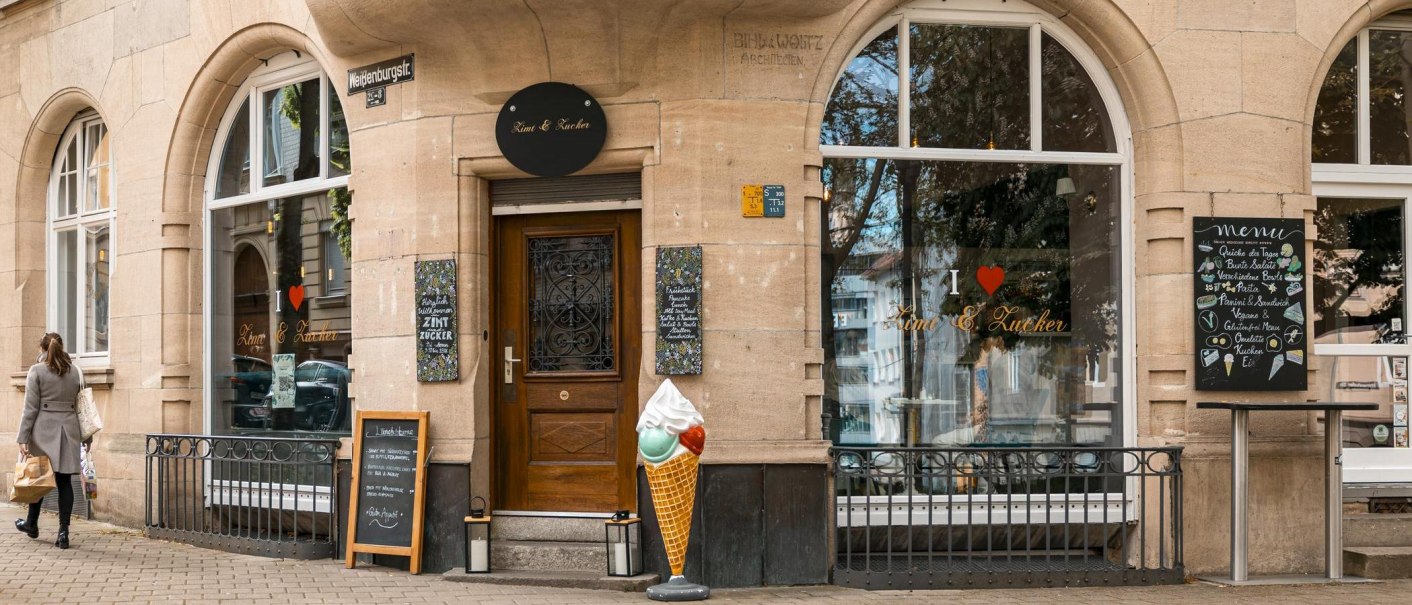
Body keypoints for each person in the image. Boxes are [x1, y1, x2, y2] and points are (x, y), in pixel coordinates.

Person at [14, 332, 84, 549]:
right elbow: (83, 407)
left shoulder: (36, 371)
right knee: (64, 482)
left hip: (43, 431)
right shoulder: (75, 372)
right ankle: (63, 533)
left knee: (39, 478)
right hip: (69, 430)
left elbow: (30, 409)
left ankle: (32, 524)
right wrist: (87, 437)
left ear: (42, 349)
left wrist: (22, 437)